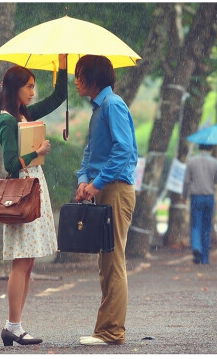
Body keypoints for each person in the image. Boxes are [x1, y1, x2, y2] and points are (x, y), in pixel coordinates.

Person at [0, 54, 67, 346]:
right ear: (15, 89)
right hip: (22, 193)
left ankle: (16, 324)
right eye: (28, 86)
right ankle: (13, 325)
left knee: (29, 261)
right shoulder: (7, 120)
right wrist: (37, 153)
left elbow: (59, 96)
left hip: (34, 188)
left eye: (34, 86)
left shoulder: (24, 114)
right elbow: (11, 163)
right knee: (21, 261)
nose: (32, 92)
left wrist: (62, 65)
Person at [74, 55, 137, 346]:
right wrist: (83, 181)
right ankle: (105, 330)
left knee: (114, 261)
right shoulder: (99, 108)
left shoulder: (113, 105)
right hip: (103, 188)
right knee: (106, 261)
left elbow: (123, 150)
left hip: (115, 189)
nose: (75, 80)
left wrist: (96, 184)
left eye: (79, 74)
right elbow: (91, 152)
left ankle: (112, 332)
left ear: (93, 77)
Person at [183, 144, 217, 264]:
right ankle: (205, 258)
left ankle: (196, 248)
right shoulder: (214, 162)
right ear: (210, 148)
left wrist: (184, 196)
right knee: (207, 227)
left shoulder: (191, 161)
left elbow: (186, 181)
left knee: (195, 225)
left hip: (196, 197)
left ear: (199, 147)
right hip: (209, 197)